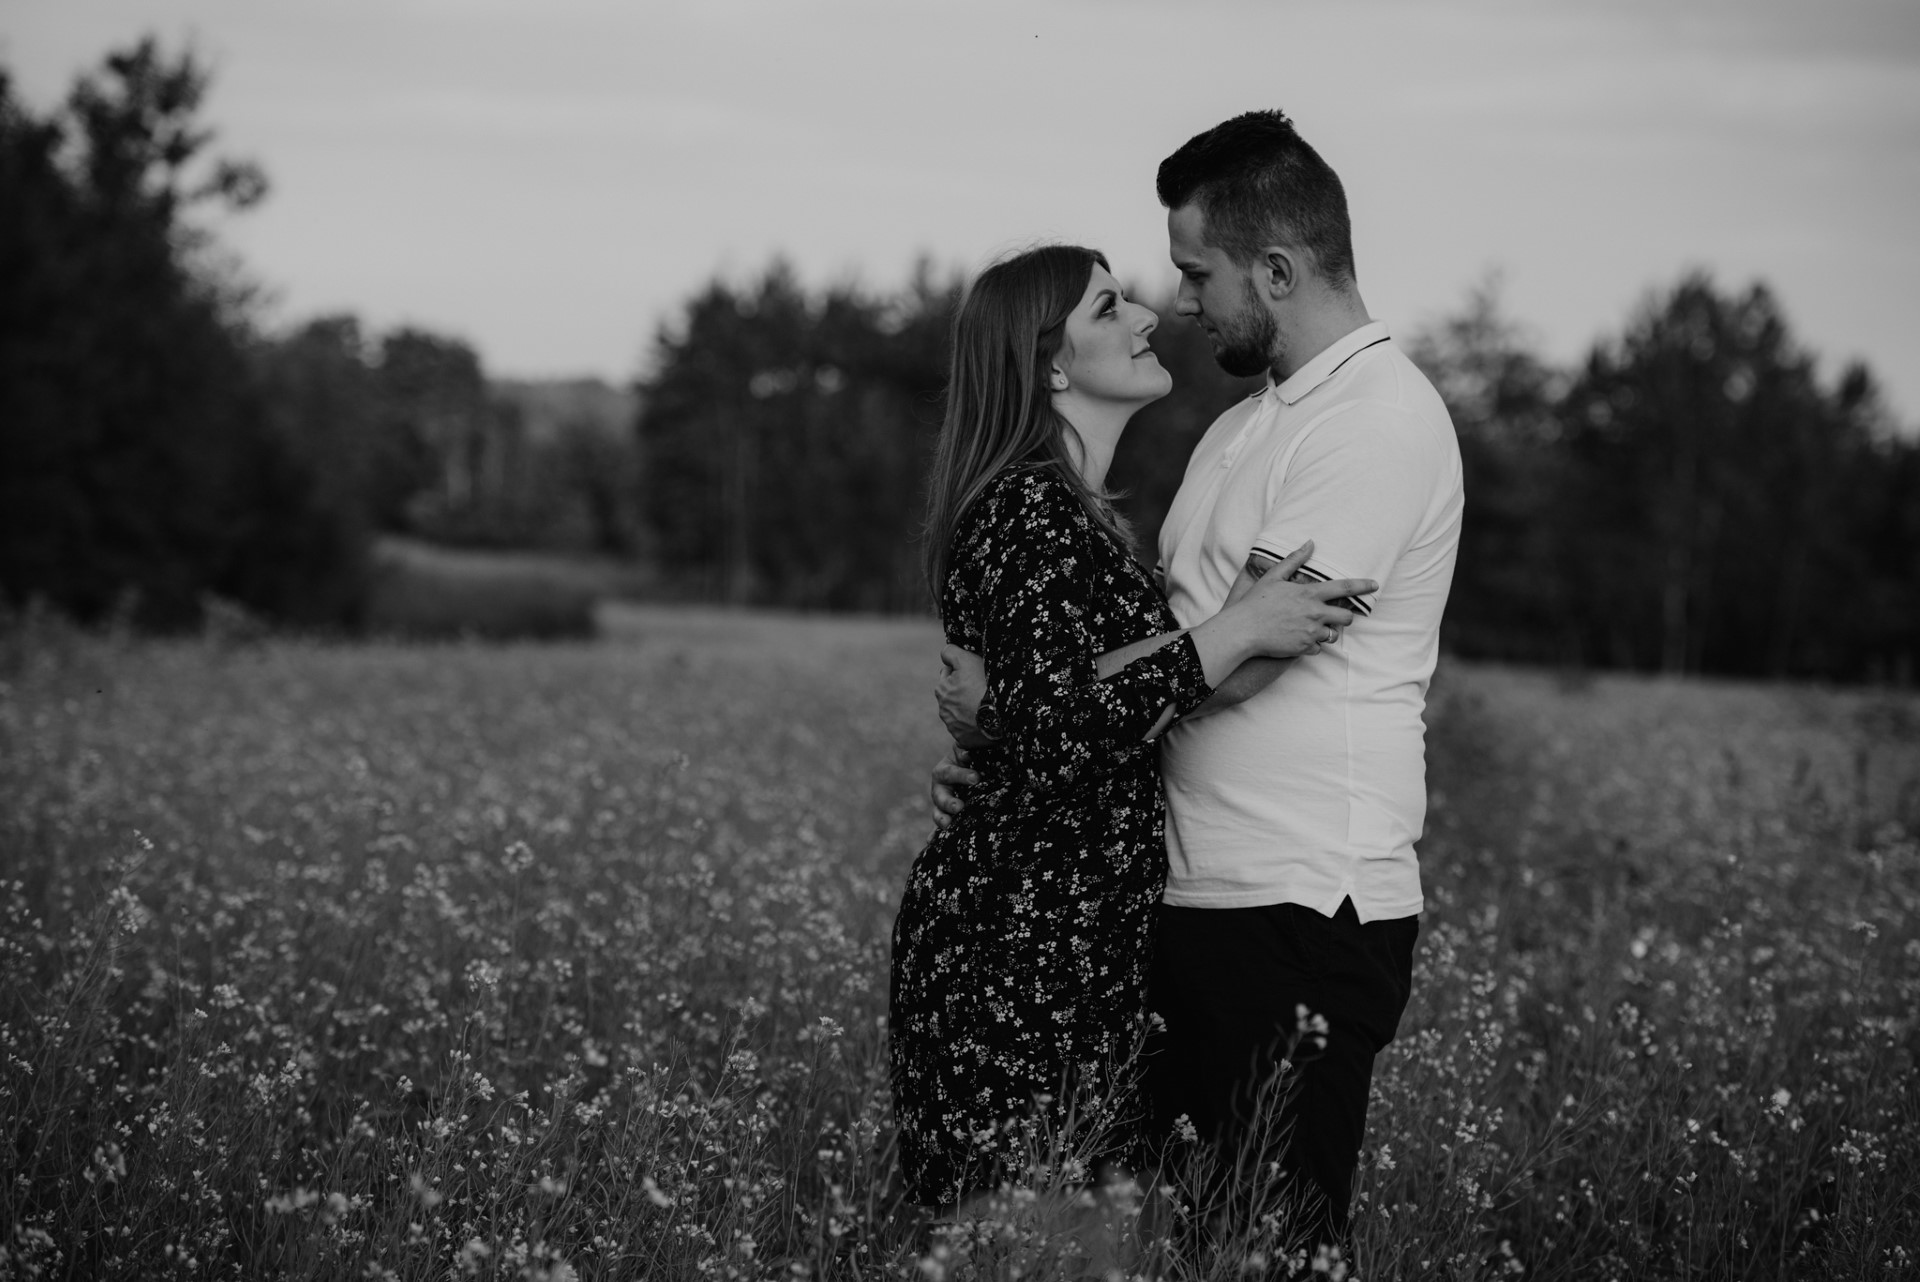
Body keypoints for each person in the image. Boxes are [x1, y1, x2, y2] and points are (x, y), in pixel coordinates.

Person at [932, 110, 1464, 1251]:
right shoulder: (1241, 429)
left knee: (1273, 1246)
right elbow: (1180, 649)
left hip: (1298, 899)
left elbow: (1238, 661)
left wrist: (1018, 720)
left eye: (1196, 273)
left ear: (1276, 271)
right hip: (1188, 900)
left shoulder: (1374, 422)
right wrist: (1026, 733)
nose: (1178, 303)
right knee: (1178, 1248)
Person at [890, 243, 1376, 1213]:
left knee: (1068, 1235)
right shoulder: (1029, 509)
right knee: (1029, 1243)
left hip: (1068, 949)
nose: (1149, 315)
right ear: (1050, 366)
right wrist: (1239, 629)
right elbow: (1059, 724)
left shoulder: (1074, 515)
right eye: (1109, 308)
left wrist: (1006, 715)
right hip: (1019, 956)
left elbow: (1054, 703)